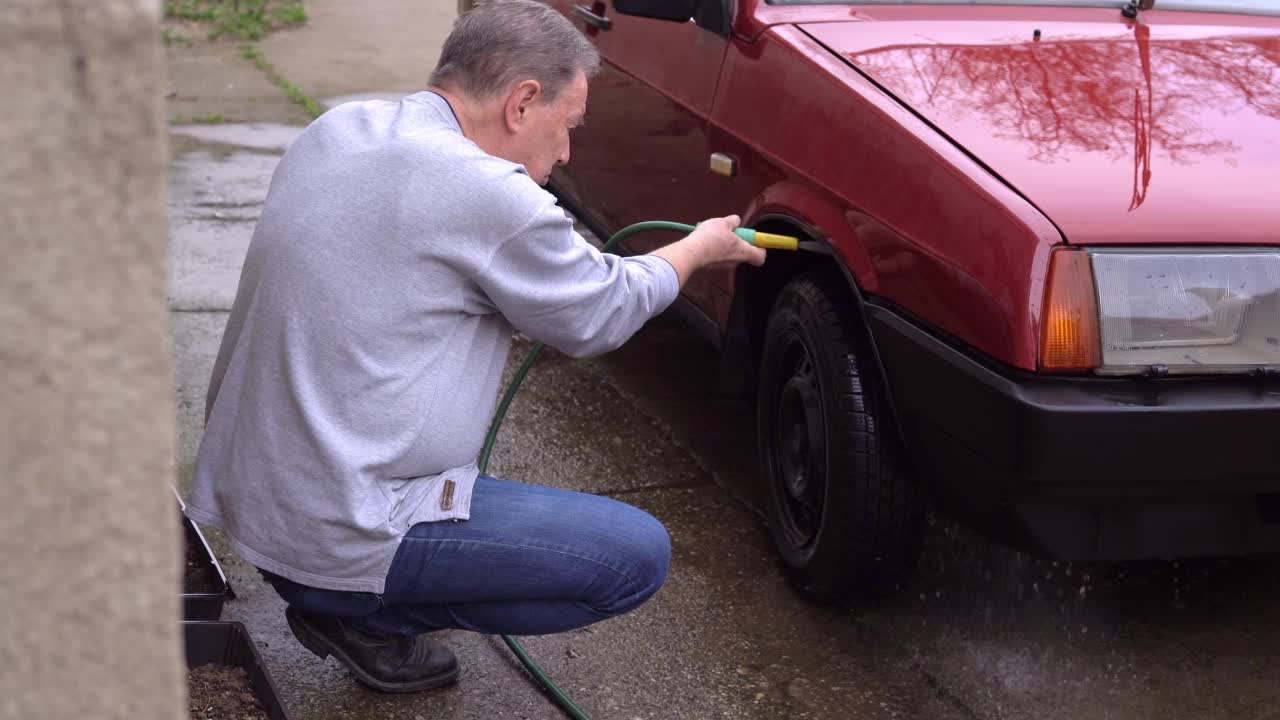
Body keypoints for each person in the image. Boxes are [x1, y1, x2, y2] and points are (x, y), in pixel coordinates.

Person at [186, 0, 766, 694]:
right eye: (568, 125)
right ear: (523, 102)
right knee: (633, 556)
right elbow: (601, 313)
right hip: (339, 525)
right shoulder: (484, 192)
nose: (568, 151)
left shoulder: (340, 127)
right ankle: (361, 612)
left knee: (492, 503)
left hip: (262, 504)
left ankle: (346, 596)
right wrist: (698, 248)